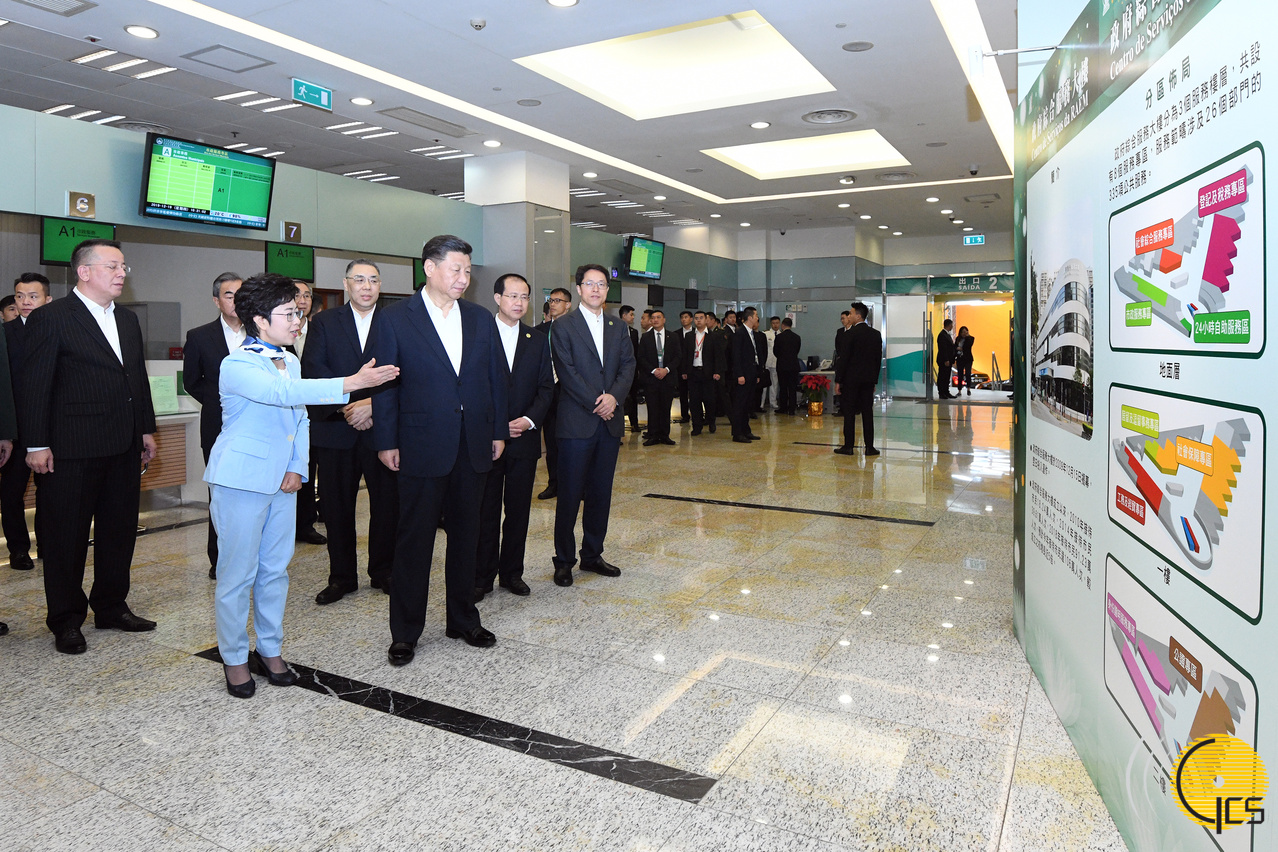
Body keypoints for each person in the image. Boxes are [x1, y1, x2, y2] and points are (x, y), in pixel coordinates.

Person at [207, 273, 398, 697]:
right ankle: (234, 657)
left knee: (274, 571)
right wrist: (352, 383)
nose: (297, 321)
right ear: (260, 320)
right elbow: (283, 394)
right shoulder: (238, 363)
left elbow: (299, 419)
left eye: (297, 312)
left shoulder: (289, 360)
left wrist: (297, 467)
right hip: (241, 480)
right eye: (288, 314)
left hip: (282, 480)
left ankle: (269, 649)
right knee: (237, 575)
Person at [373, 235, 508, 664]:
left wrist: (497, 431)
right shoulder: (396, 318)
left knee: (468, 537)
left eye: (467, 270)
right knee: (414, 541)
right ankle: (405, 632)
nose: (463, 278)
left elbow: (494, 381)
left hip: (472, 444)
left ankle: (463, 619)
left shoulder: (480, 318)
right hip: (420, 444)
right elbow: (385, 386)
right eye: (456, 269)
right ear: (430, 268)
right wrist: (386, 440)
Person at [22, 239, 157, 655]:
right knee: (66, 537)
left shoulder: (127, 320)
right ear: (84, 272)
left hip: (123, 445)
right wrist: (36, 443)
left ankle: (111, 606)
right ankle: (66, 619)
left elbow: (136, 377)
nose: (121, 273)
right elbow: (34, 384)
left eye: (123, 267)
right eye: (112, 266)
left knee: (119, 531)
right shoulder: (51, 317)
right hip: (71, 448)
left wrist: (145, 429)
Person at [303, 259, 398, 605]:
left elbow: (406, 372)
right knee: (336, 507)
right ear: (346, 284)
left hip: (383, 430)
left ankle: (383, 571)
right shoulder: (324, 323)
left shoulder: (395, 321)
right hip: (335, 429)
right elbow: (314, 370)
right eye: (359, 279)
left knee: (387, 505)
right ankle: (341, 577)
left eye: (373, 280)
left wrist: (372, 405)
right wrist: (349, 407)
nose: (366, 286)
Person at [550, 263, 635, 587]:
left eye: (601, 284)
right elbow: (566, 371)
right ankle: (563, 560)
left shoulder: (618, 327)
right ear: (579, 289)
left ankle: (592, 554)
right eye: (590, 284)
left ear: (607, 290)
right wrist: (597, 402)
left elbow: (628, 366)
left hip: (609, 424)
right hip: (576, 423)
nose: (596, 289)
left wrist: (613, 397)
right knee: (570, 494)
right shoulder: (563, 325)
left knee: (600, 493)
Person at [475, 273, 553, 601]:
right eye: (512, 296)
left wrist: (528, 420)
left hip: (524, 438)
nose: (519, 303)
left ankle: (512, 573)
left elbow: (546, 387)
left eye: (524, 297)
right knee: (486, 510)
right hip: (487, 440)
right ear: (497, 298)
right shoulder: (478, 335)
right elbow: (472, 386)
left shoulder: (537, 340)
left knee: (518, 510)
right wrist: (496, 425)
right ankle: (481, 577)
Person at [182, 271, 244, 580]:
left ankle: (250, 557)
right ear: (217, 301)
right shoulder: (199, 336)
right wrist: (221, 402)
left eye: (241, 295)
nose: (236, 301)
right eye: (230, 295)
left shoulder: (261, 332)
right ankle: (218, 559)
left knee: (254, 495)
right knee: (219, 495)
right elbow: (191, 381)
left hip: (257, 429)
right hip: (217, 427)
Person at [2, 272, 52, 572]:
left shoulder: (59, 329)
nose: (25, 302)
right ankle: (19, 549)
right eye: (19, 296)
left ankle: (48, 544)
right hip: (17, 429)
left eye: (33, 296)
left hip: (51, 427)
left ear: (47, 299)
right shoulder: (5, 334)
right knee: (11, 493)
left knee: (51, 491)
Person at [291, 280, 326, 545]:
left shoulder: (320, 330)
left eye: (307, 295)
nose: (302, 300)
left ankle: (306, 524)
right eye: (296, 295)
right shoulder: (276, 332)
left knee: (309, 466)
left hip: (316, 415)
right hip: (285, 413)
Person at [536, 286, 572, 500]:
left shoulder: (576, 329)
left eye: (558, 300)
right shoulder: (539, 331)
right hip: (548, 391)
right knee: (551, 441)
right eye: (551, 300)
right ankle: (554, 483)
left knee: (572, 442)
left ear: (568, 305)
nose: (553, 304)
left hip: (571, 392)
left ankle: (576, 485)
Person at [835, 302, 883, 456]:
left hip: (851, 380)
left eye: (851, 313)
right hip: (868, 380)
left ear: (858, 315)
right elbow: (877, 360)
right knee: (867, 412)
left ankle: (848, 446)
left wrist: (838, 380)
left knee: (849, 412)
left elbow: (844, 359)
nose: (849, 316)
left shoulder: (849, 334)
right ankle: (869, 447)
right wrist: (874, 380)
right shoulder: (875, 334)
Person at [638, 308, 682, 446]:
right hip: (651, 379)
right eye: (653, 318)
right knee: (652, 408)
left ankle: (665, 435)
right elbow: (641, 357)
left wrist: (666, 370)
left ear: (664, 320)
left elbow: (678, 356)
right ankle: (653, 435)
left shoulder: (673, 336)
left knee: (665, 408)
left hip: (667, 378)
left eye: (658, 317)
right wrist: (653, 370)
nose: (655, 320)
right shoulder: (645, 337)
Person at [683, 310, 722, 435]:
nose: (698, 320)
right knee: (694, 401)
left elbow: (718, 356)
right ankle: (697, 426)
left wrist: (717, 371)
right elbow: (685, 355)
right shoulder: (689, 336)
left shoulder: (713, 336)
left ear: (706, 320)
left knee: (709, 400)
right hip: (693, 372)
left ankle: (711, 421)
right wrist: (684, 371)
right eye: (696, 318)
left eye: (701, 318)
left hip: (708, 372)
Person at [730, 307, 764, 443]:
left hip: (751, 372)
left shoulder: (752, 333)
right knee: (740, 404)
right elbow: (736, 356)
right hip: (743, 374)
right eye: (756, 315)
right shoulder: (740, 333)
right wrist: (739, 374)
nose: (757, 318)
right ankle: (737, 433)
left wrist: (757, 373)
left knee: (747, 404)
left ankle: (746, 430)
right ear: (749, 318)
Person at [618, 305, 642, 432]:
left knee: (633, 397)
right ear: (624, 315)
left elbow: (636, 352)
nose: (633, 317)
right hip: (618, 372)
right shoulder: (615, 330)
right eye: (631, 314)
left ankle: (634, 423)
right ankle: (619, 426)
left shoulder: (634, 332)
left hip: (632, 371)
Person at [773, 317, 802, 415]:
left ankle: (783, 407)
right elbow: (797, 350)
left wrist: (782, 357)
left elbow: (775, 351)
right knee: (792, 388)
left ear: (782, 325)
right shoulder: (797, 337)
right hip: (793, 365)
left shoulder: (779, 337)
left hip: (782, 366)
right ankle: (792, 409)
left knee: (783, 387)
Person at [676, 310, 694, 422]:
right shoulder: (676, 334)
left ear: (691, 319)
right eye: (682, 317)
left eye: (686, 317)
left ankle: (696, 415)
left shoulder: (697, 333)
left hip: (694, 368)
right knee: (683, 393)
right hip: (680, 368)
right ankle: (684, 415)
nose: (684, 319)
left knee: (694, 394)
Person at [762, 316, 780, 412]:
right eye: (773, 323)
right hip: (767, 362)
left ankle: (773, 402)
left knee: (774, 384)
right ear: (771, 324)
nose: (775, 325)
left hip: (776, 362)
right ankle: (761, 403)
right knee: (764, 385)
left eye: (777, 323)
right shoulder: (765, 334)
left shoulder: (781, 335)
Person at [936, 318, 956, 399]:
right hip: (944, 360)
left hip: (949, 360)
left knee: (947, 376)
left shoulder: (947, 334)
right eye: (952, 325)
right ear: (949, 325)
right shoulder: (942, 335)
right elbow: (943, 349)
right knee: (942, 376)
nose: (952, 326)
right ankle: (941, 392)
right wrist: (946, 359)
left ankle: (946, 391)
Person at [955, 325, 976, 395]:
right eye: (962, 332)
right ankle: (959, 390)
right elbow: (955, 347)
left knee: (968, 373)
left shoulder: (971, 338)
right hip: (960, 358)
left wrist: (967, 337)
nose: (964, 333)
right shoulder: (958, 339)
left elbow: (968, 346)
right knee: (960, 374)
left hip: (968, 359)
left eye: (965, 332)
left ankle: (968, 389)